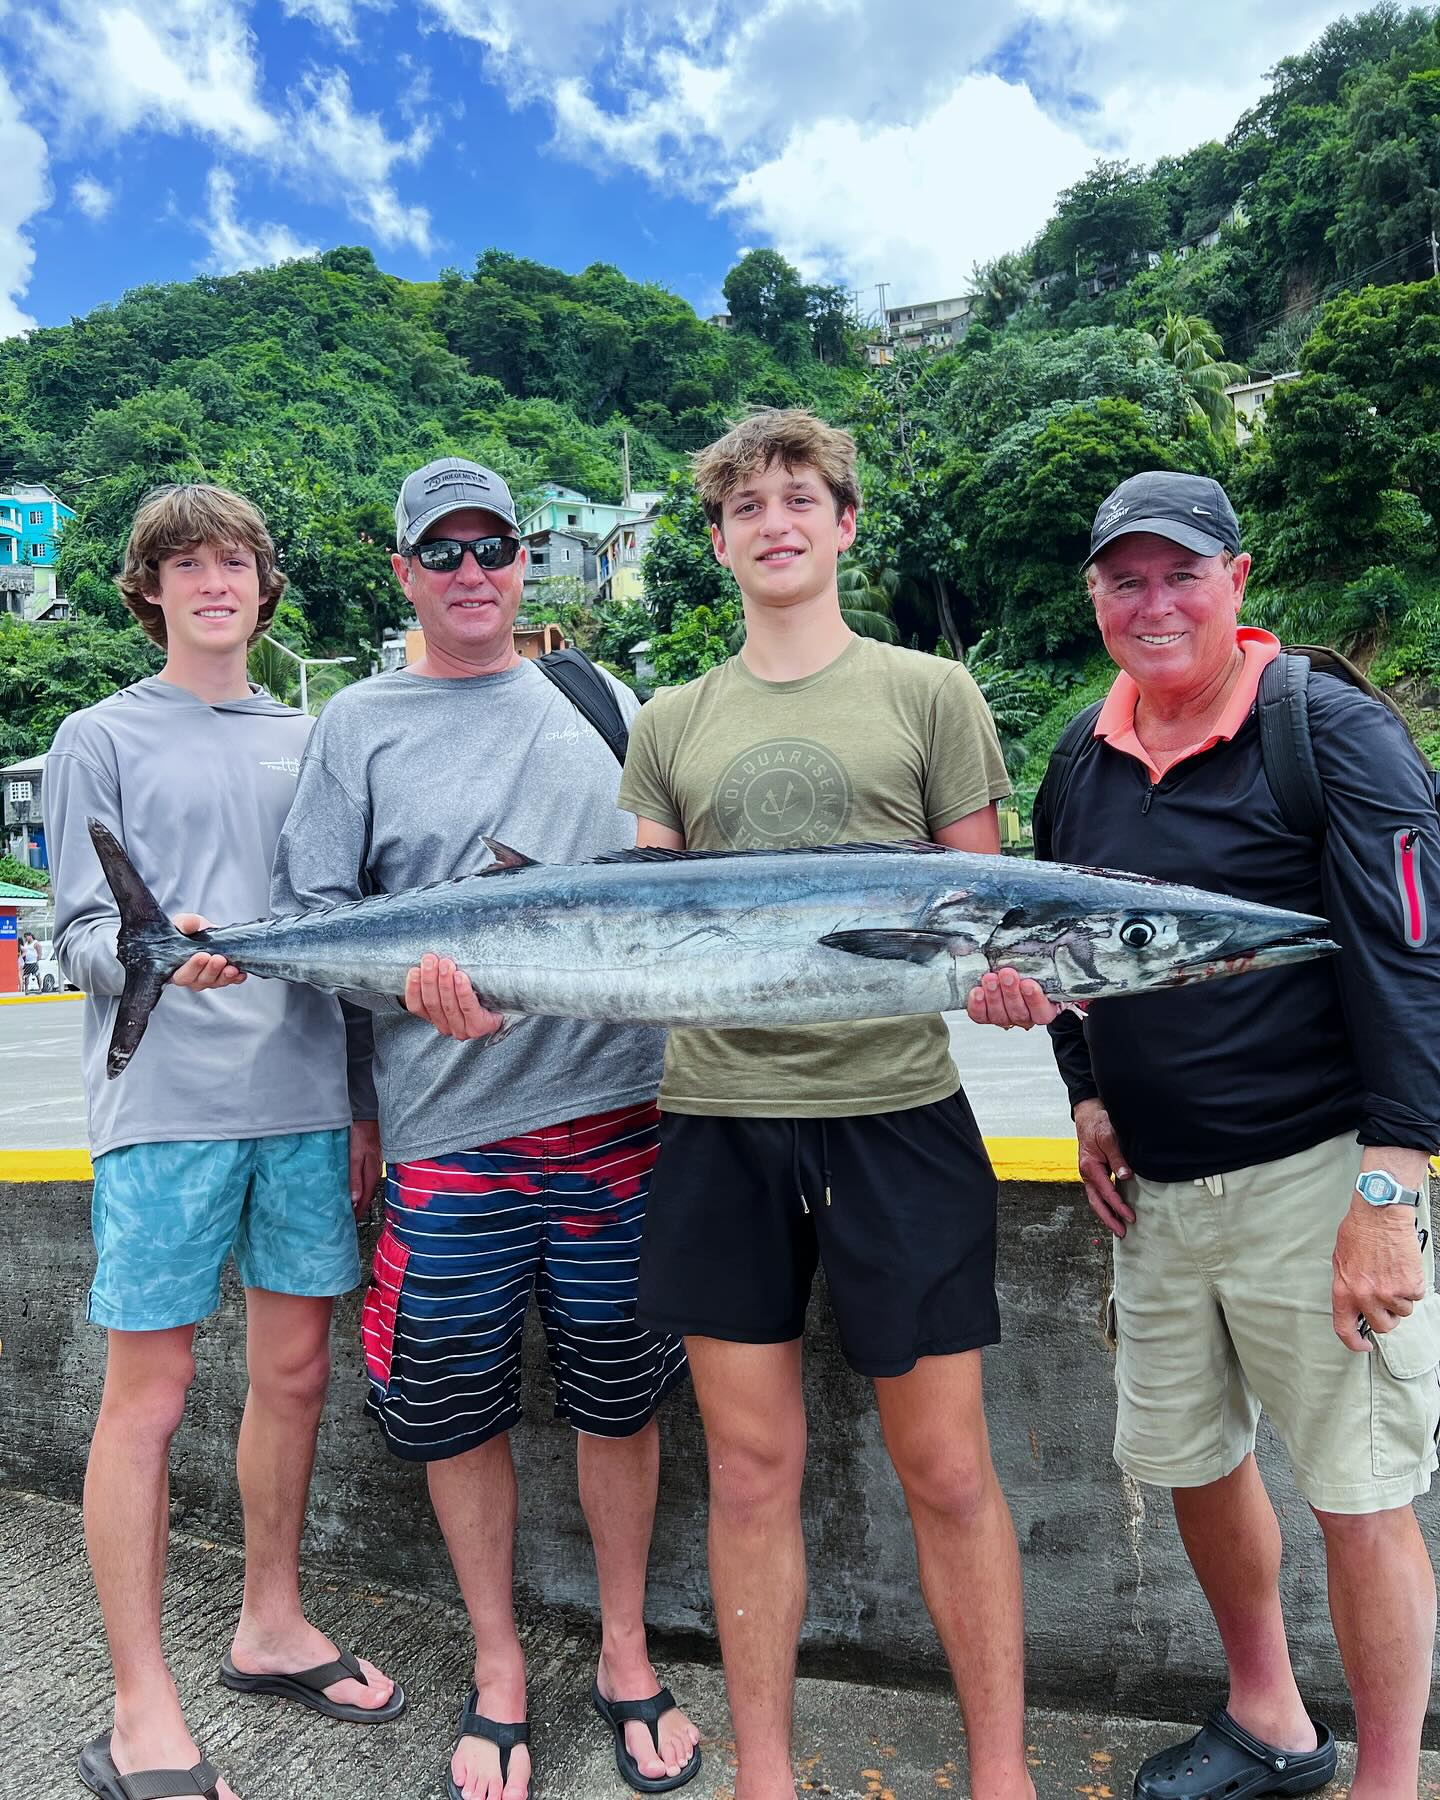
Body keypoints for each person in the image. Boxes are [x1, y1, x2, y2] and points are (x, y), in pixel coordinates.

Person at [973, 471, 1439, 1800]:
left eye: (1182, 572)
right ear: (1096, 600)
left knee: (1358, 1490)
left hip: (1314, 1177)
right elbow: (1053, 948)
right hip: (1159, 1193)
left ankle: (1388, 1785)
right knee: (1193, 1460)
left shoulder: (1328, 731)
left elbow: (1415, 958)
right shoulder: (1079, 754)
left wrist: (1388, 1184)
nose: (1154, 601)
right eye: (1126, 579)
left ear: (1238, 580)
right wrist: (1087, 1093)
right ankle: (1271, 1721)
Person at [614, 409, 1031, 1800]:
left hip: (897, 1111)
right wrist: (486, 977)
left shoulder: (931, 693)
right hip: (718, 1116)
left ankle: (1002, 1772)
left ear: (847, 524)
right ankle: (767, 1775)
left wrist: (1011, 982)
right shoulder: (671, 720)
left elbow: (996, 917)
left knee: (951, 1472)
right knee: (746, 1469)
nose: (775, 522)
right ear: (720, 539)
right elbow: (626, 933)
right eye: (746, 507)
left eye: (802, 498)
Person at [271, 457, 701, 1800]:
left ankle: (626, 1653)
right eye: (440, 552)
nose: (470, 573)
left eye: (492, 548)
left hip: (620, 1117)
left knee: (621, 1398)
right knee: (454, 1409)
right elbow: (316, 926)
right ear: (403, 571)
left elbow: (674, 894)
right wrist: (383, 1046)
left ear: (526, 562)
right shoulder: (355, 722)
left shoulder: (602, 698)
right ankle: (501, 1662)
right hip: (445, 1138)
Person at [46, 483, 400, 1800]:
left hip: (307, 1101)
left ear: (265, 585)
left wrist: (363, 1098)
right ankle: (141, 1704)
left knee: (296, 1375)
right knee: (149, 1399)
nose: (211, 581)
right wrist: (150, 955)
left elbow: (346, 936)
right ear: (149, 590)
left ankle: (271, 1620)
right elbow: (81, 930)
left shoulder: (316, 738)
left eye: (234, 560)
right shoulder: (99, 735)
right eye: (183, 564)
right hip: (164, 1111)